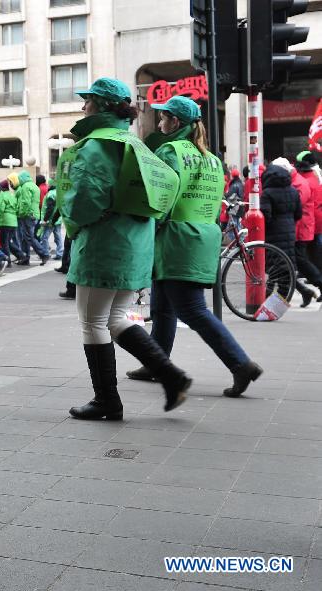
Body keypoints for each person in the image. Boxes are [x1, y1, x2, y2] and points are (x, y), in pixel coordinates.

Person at [58, 77, 191, 420]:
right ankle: (171, 376)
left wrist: (75, 221)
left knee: (93, 322)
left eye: (86, 101)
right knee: (115, 318)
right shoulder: (137, 145)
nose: (82, 107)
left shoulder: (93, 147)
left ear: (99, 107)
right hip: (136, 246)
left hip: (104, 246)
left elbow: (85, 199)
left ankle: (107, 401)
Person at [126, 96, 262, 397]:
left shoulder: (170, 150)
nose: (160, 123)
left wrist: (144, 227)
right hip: (201, 236)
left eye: (164, 118)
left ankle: (241, 364)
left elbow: (161, 197)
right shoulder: (212, 159)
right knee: (162, 307)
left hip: (176, 239)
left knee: (192, 310)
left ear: (175, 122)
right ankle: (155, 363)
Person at [259, 163, 320, 306]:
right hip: (290, 232)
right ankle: (302, 292)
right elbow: (298, 213)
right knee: (285, 266)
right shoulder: (293, 191)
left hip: (273, 234)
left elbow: (266, 216)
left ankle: (272, 303)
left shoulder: (267, 193)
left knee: (276, 267)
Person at [15, 171, 50, 266]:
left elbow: (25, 202)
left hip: (28, 215)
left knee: (29, 237)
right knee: (25, 237)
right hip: (35, 214)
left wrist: (21, 213)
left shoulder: (25, 187)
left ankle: (44, 254)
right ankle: (25, 258)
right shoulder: (34, 186)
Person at [296, 151, 322, 270]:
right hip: (316, 217)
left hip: (312, 219)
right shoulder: (315, 177)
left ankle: (316, 273)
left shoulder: (304, 182)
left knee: (313, 250)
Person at [0, 179, 23, 265]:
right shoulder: (12, 196)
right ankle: (20, 255)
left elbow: (1, 209)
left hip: (5, 222)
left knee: (4, 242)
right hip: (14, 222)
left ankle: (7, 261)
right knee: (8, 242)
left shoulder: (2, 196)